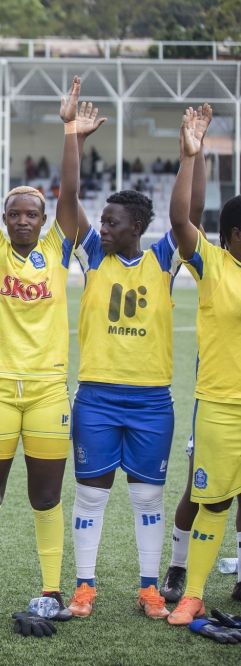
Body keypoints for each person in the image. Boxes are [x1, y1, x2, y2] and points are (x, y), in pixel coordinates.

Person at [0, 74, 86, 622]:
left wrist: (69, 133)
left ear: (43, 221)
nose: (19, 219)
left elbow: (71, 193)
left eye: (29, 213)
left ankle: (53, 589)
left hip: (47, 393)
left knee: (46, 498)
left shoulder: (58, 250)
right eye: (12, 213)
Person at [62, 78, 181, 620]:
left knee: (147, 498)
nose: (102, 227)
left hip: (153, 400)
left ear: (137, 226)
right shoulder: (93, 258)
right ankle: (84, 586)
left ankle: (150, 588)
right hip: (98, 396)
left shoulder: (163, 261)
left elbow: (186, 215)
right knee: (91, 495)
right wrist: (73, 137)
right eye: (102, 221)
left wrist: (189, 158)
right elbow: (67, 201)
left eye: (112, 221)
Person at [159, 104, 241, 606]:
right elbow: (183, 217)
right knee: (205, 492)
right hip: (220, 404)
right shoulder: (214, 265)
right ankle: (178, 567)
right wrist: (193, 153)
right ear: (236, 236)